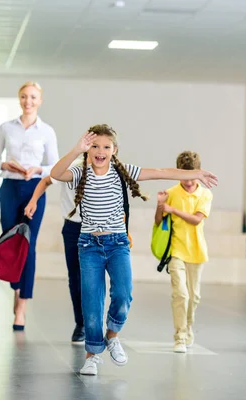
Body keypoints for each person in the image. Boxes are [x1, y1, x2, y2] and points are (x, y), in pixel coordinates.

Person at [51, 125, 218, 376]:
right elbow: (55, 173)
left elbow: (161, 172)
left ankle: (112, 336)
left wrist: (197, 172)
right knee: (92, 303)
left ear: (114, 150)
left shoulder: (121, 171)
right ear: (87, 150)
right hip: (89, 246)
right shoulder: (79, 172)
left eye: (106, 147)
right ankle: (93, 355)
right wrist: (77, 148)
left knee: (123, 294)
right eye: (94, 146)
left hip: (117, 243)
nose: (100, 151)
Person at [0, 81, 58, 330]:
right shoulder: (6, 127)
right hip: (9, 188)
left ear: (40, 100)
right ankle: (15, 287)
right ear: (19, 99)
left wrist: (37, 169)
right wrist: (6, 165)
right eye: (23, 96)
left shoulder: (46, 131)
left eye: (32, 97)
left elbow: (55, 165)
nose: (28, 101)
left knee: (29, 245)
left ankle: (21, 306)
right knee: (10, 242)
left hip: (35, 189)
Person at [154, 151, 213, 353]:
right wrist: (161, 206)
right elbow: (158, 221)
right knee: (180, 294)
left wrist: (173, 210)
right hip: (176, 250)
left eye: (192, 178)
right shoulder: (171, 193)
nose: (188, 183)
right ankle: (179, 336)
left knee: (194, 297)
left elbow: (197, 219)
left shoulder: (205, 194)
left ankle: (188, 329)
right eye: (183, 178)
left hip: (197, 251)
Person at [24, 156, 85, 344]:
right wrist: (34, 200)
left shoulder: (109, 171)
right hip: (73, 228)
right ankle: (81, 323)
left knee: (94, 277)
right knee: (75, 277)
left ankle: (95, 321)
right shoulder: (72, 170)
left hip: (99, 229)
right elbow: (46, 180)